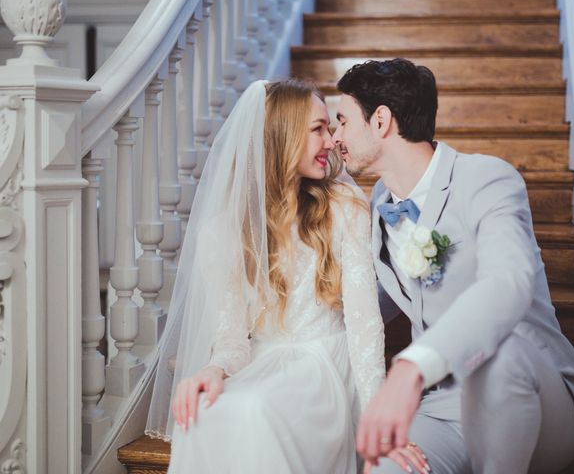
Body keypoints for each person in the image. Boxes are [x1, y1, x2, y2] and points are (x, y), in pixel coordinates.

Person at [330, 58, 574, 474]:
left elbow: (508, 283)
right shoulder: (380, 202)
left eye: (342, 121)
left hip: (532, 397)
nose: (334, 138)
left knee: (499, 354)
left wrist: (411, 366)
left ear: (380, 121)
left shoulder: (488, 179)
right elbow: (371, 303)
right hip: (442, 407)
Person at [146, 79, 424, 473]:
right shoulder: (224, 230)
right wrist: (213, 369)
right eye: (318, 129)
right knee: (203, 416)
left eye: (330, 127)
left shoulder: (344, 208)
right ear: (281, 135)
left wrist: (376, 420)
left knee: (256, 409)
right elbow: (231, 339)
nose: (330, 141)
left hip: (325, 362)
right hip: (263, 361)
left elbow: (364, 326)